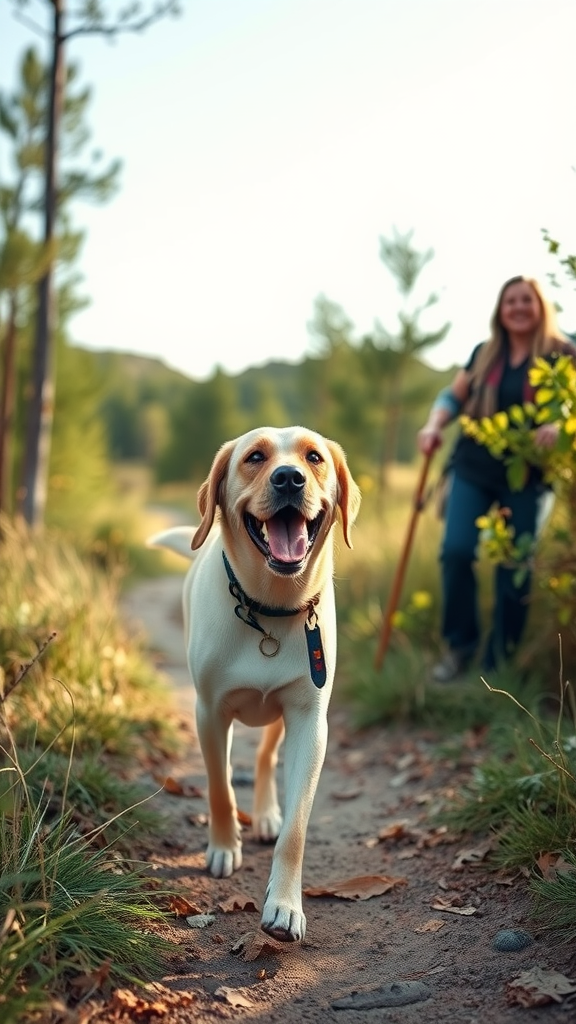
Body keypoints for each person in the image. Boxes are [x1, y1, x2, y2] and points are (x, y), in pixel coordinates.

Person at [418, 275, 575, 682]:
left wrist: (563, 424)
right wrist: (435, 424)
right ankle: (459, 648)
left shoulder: (563, 355)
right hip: (473, 467)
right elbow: (453, 396)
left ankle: (497, 666)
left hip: (529, 476)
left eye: (527, 300)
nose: (519, 307)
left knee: (515, 564)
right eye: (511, 301)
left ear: (540, 306)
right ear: (500, 310)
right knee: (456, 551)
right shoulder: (484, 353)